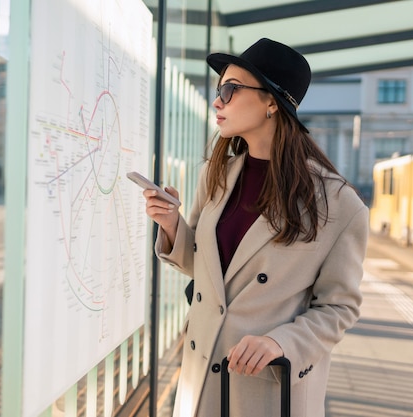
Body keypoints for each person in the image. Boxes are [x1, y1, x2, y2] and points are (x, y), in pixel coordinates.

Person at [143, 38, 368, 417]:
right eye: (219, 91)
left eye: (230, 90)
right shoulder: (216, 176)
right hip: (199, 380)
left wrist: (281, 342)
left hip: (265, 388)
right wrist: (170, 224)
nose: (218, 101)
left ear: (270, 103)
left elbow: (339, 306)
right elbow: (204, 268)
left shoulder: (337, 203)